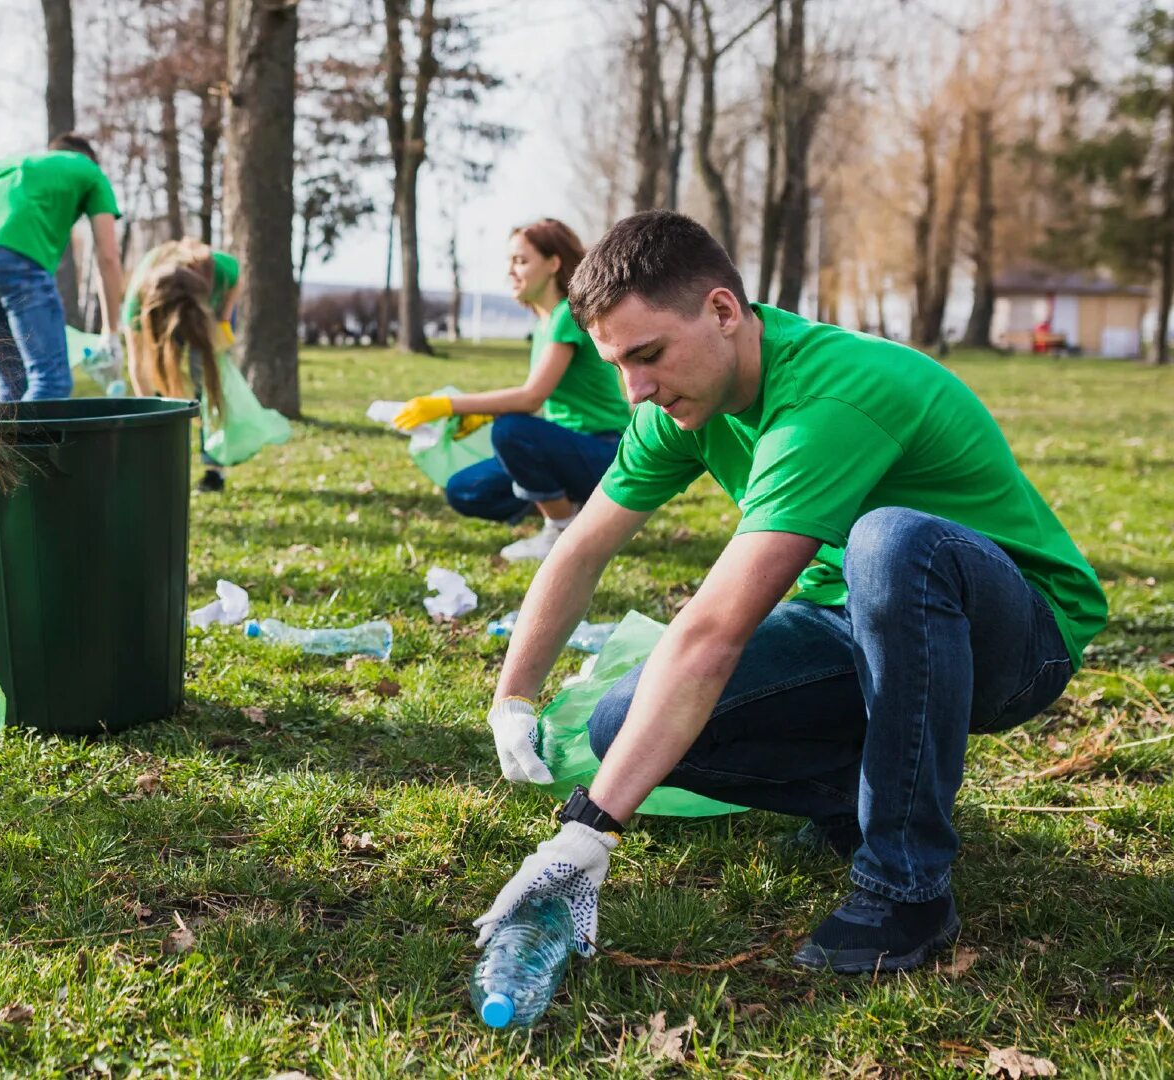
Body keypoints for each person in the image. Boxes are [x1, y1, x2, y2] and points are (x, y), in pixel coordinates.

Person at [472, 210, 1105, 973]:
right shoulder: (677, 401)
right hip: (853, 621)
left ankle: (908, 887)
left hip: (1012, 641)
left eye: (648, 355)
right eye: (616, 365)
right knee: (618, 726)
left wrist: (589, 827)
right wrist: (515, 695)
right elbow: (580, 547)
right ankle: (859, 797)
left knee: (891, 540)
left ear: (723, 311)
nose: (635, 390)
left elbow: (716, 631)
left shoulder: (832, 395)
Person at [391, 220, 630, 560]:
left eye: (520, 261)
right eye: (510, 262)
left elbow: (532, 396)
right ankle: (574, 510)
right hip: (566, 448)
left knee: (510, 431)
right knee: (465, 490)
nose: (510, 272)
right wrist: (480, 414)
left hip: (604, 450)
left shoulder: (568, 315)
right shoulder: (545, 323)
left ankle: (561, 531)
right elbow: (540, 401)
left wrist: (449, 405)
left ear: (553, 263)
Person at [0, 132, 126, 402]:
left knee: (12, 384)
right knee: (51, 382)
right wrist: (110, 331)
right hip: (18, 260)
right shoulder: (89, 170)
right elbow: (108, 256)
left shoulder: (4, 165)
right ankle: (35, 447)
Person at [121, 238, 241, 493]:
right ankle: (164, 462)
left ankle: (214, 469)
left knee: (206, 380)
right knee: (164, 384)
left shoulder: (219, 267)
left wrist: (225, 316)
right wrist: (151, 415)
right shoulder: (137, 303)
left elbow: (237, 277)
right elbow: (137, 365)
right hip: (165, 312)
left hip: (207, 312)